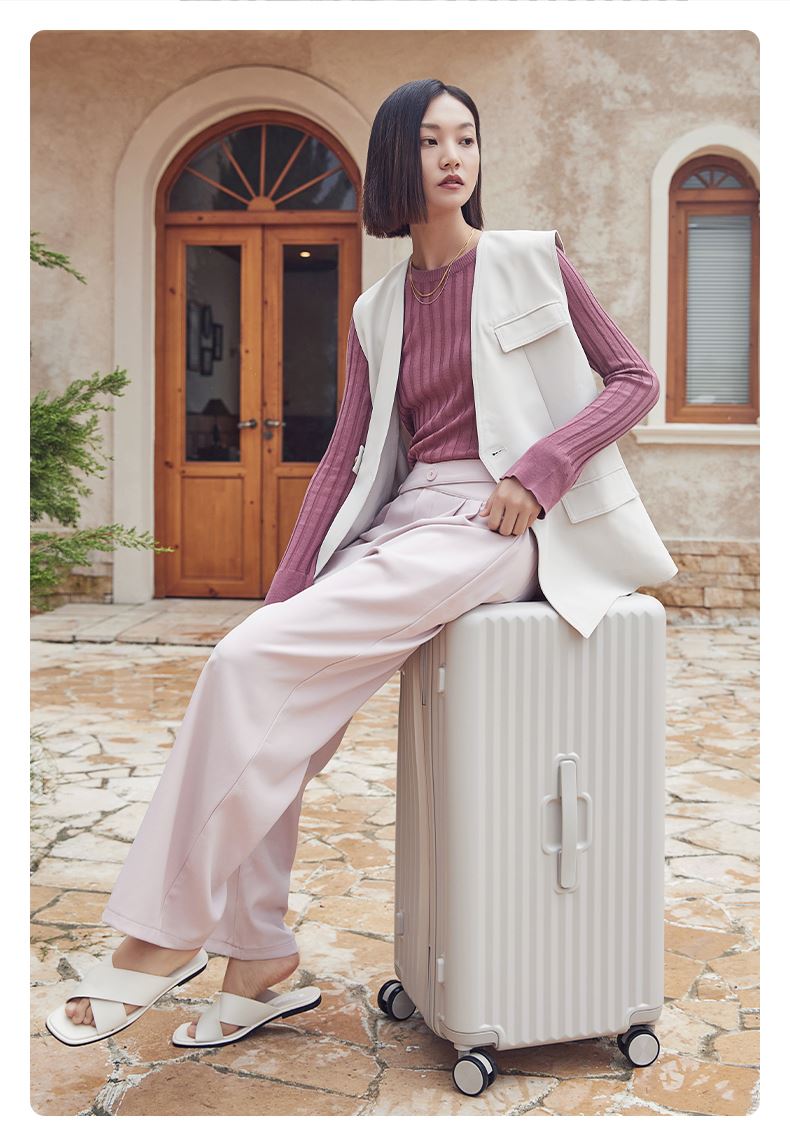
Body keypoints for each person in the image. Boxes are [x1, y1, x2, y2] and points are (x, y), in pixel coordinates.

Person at [46, 78, 662, 1049]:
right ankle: (257, 957)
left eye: (466, 138)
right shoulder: (377, 310)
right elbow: (344, 459)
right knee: (271, 701)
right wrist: (284, 594)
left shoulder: (530, 261)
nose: (453, 157)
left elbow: (633, 379)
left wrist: (541, 471)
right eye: (431, 141)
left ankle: (158, 936)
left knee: (243, 668)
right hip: (407, 524)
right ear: (394, 162)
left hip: (493, 525)